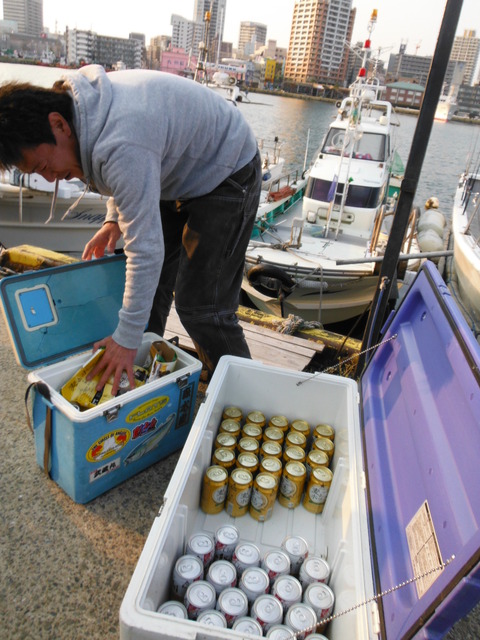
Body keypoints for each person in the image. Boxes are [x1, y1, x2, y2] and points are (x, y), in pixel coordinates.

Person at [0, 65, 262, 394]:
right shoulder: (80, 113)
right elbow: (123, 174)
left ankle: (248, 393)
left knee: (201, 306)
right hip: (172, 170)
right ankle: (137, 377)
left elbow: (145, 247)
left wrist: (124, 339)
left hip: (225, 167)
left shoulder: (121, 141)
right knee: (147, 292)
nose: (50, 178)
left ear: (57, 124)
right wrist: (112, 220)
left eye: (42, 167)